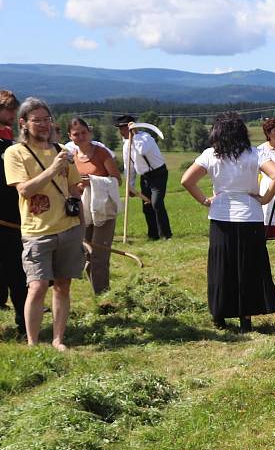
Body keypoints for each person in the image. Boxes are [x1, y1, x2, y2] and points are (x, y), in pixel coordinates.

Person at [181, 112, 275, 333]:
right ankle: (246, 317)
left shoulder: (210, 155)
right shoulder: (254, 154)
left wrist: (204, 200)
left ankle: (219, 315)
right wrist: (265, 198)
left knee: (221, 267)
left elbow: (186, 180)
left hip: (221, 216)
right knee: (249, 267)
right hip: (250, 215)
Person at [3, 97, 85, 351]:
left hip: (67, 229)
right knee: (37, 287)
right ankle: (32, 343)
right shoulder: (15, 153)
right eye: (36, 120)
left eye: (46, 119)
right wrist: (53, 169)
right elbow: (25, 190)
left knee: (62, 285)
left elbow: (74, 189)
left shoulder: (62, 151)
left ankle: (58, 338)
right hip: (37, 232)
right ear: (23, 123)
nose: (43, 125)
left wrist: (81, 227)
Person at [67, 117, 121, 295]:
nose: (81, 136)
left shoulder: (101, 153)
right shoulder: (71, 157)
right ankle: (97, 291)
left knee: (100, 253)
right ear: (70, 136)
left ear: (89, 133)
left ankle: (104, 295)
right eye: (76, 134)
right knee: (86, 253)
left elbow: (117, 180)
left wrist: (94, 182)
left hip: (103, 210)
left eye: (84, 132)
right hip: (82, 211)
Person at [116, 114, 172, 240]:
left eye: (123, 128)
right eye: (120, 128)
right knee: (147, 205)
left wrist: (135, 134)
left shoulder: (145, 138)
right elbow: (129, 166)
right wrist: (129, 185)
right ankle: (153, 235)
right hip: (145, 177)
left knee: (156, 203)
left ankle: (165, 235)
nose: (121, 131)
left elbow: (142, 150)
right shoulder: (126, 145)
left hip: (158, 173)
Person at [0, 89, 27, 337]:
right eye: (9, 111)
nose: (12, 115)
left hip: (13, 219)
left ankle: (24, 323)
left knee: (18, 275)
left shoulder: (11, 143)